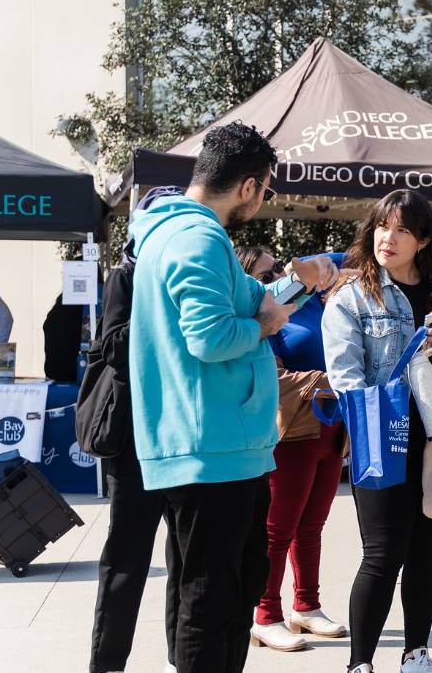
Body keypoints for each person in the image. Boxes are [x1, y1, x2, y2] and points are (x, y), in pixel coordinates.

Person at [128, 123, 340, 673]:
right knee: (212, 598)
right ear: (248, 186)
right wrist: (265, 327)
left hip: (212, 441)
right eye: (267, 190)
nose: (264, 201)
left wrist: (298, 281)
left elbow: (255, 299)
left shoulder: (181, 232)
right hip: (212, 446)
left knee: (211, 590)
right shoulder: (198, 240)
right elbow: (212, 336)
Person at [322, 188, 432, 673]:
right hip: (381, 440)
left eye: (402, 230)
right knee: (383, 552)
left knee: (426, 549)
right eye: (381, 227)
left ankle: (416, 653)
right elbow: (344, 375)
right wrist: (373, 413)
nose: (387, 238)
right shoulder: (352, 296)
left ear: (424, 240)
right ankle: (360, 664)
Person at [87, 186, 184, 673]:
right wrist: (170, 316)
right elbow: (116, 348)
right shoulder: (126, 275)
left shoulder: (192, 272)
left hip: (188, 437)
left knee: (186, 562)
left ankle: (180, 657)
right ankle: (107, 665)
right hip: (134, 442)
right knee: (127, 560)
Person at [235, 246, 348, 652]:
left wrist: (310, 266)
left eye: (278, 271)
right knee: (278, 530)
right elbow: (274, 378)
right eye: (265, 275)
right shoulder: (265, 317)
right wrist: (328, 382)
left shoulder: (315, 302)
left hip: (331, 429)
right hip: (292, 432)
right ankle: (265, 615)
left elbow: (354, 252)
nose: (276, 279)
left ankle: (307, 606)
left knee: (312, 527)